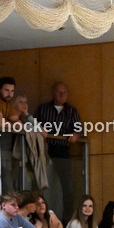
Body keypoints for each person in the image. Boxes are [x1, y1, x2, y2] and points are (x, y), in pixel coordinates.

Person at [33, 81, 82, 220]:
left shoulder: (71, 111)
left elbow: (79, 129)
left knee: (68, 186)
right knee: (40, 183)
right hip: (44, 149)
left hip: (63, 150)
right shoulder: (43, 109)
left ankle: (67, 218)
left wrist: (75, 135)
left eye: (64, 92)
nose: (62, 95)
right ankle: (37, 214)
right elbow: (31, 124)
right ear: (53, 93)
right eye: (59, 92)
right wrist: (39, 129)